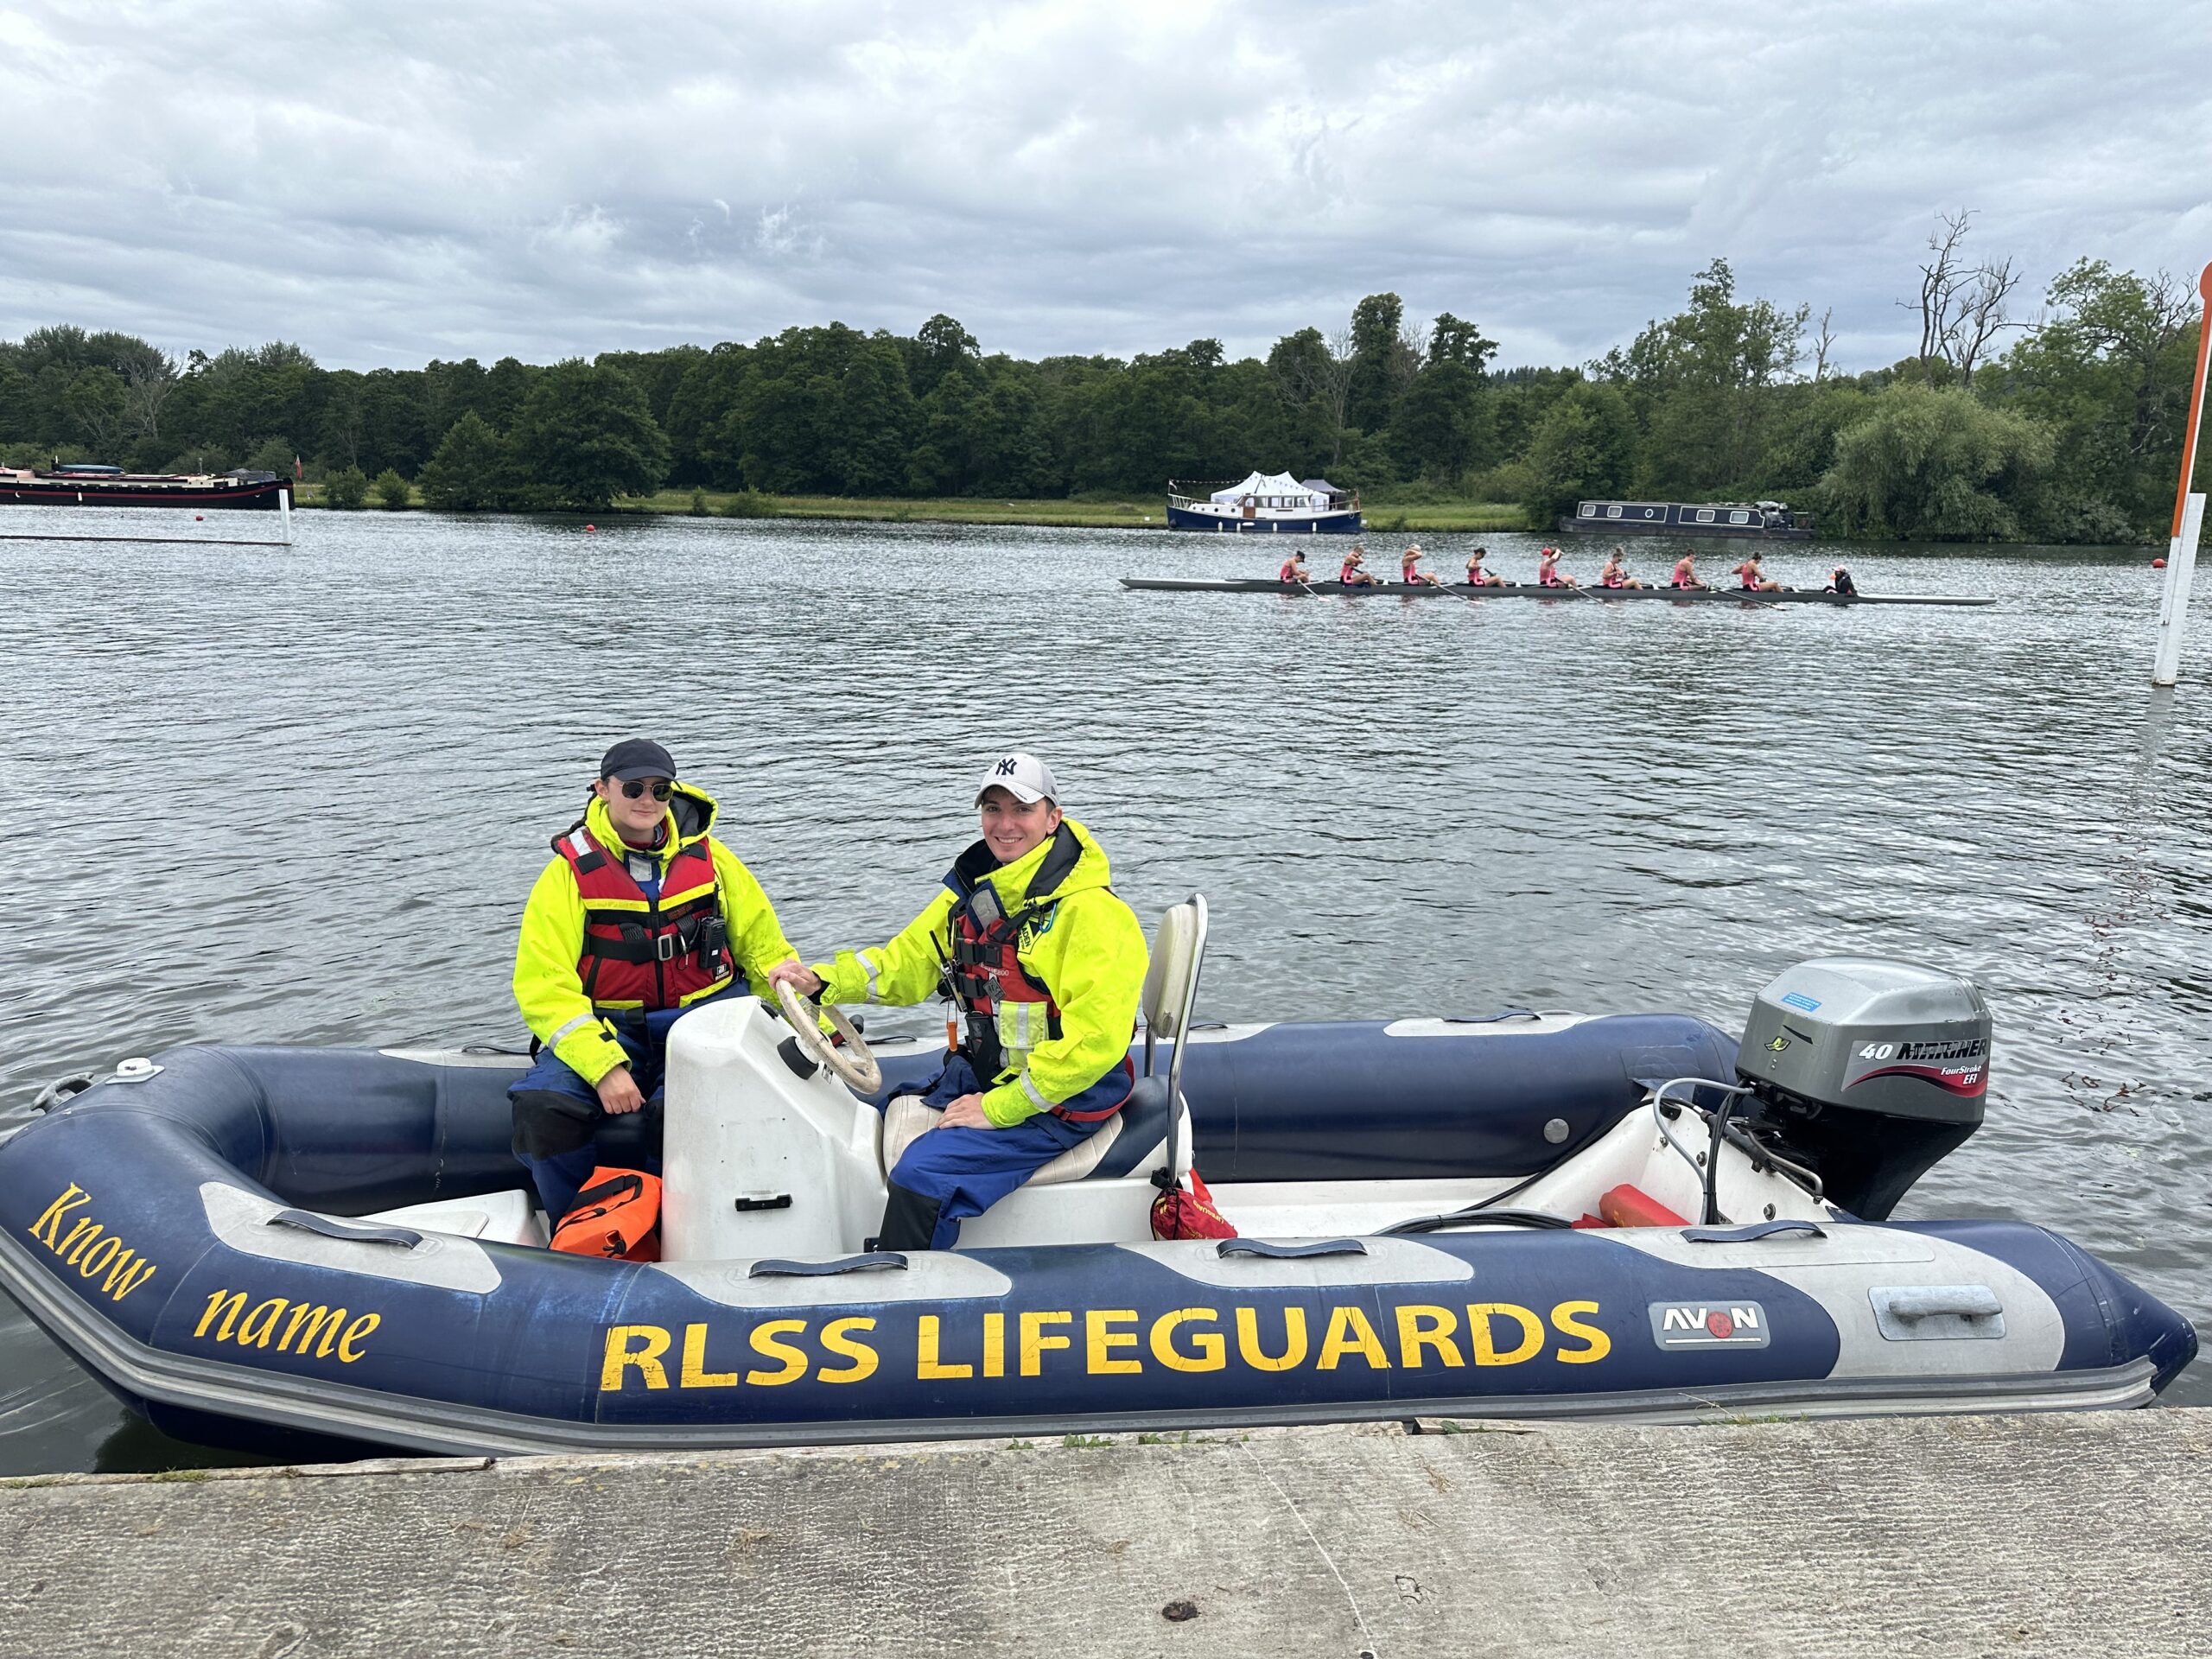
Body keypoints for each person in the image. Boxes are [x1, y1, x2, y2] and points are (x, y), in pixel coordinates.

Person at [769, 755, 1148, 1252]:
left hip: (1062, 1099)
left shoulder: (1092, 915)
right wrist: (824, 982)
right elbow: (908, 962)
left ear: (1053, 818)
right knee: (872, 1110)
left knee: (922, 1175)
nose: (1005, 824)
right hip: (995, 1074)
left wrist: (999, 1108)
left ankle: (911, 1298)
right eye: (993, 809)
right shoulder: (978, 892)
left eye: (1022, 809)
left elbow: (1095, 1044)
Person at [508, 738, 804, 1222]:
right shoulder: (567, 874)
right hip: (608, 1027)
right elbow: (544, 985)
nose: (648, 800)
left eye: (661, 789)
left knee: (683, 1118)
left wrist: (800, 1011)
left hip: (704, 1021)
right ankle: (581, 1229)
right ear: (603, 789)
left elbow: (763, 947)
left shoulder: (714, 861)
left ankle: (671, 1228)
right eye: (634, 787)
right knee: (544, 1109)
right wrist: (603, 1065)